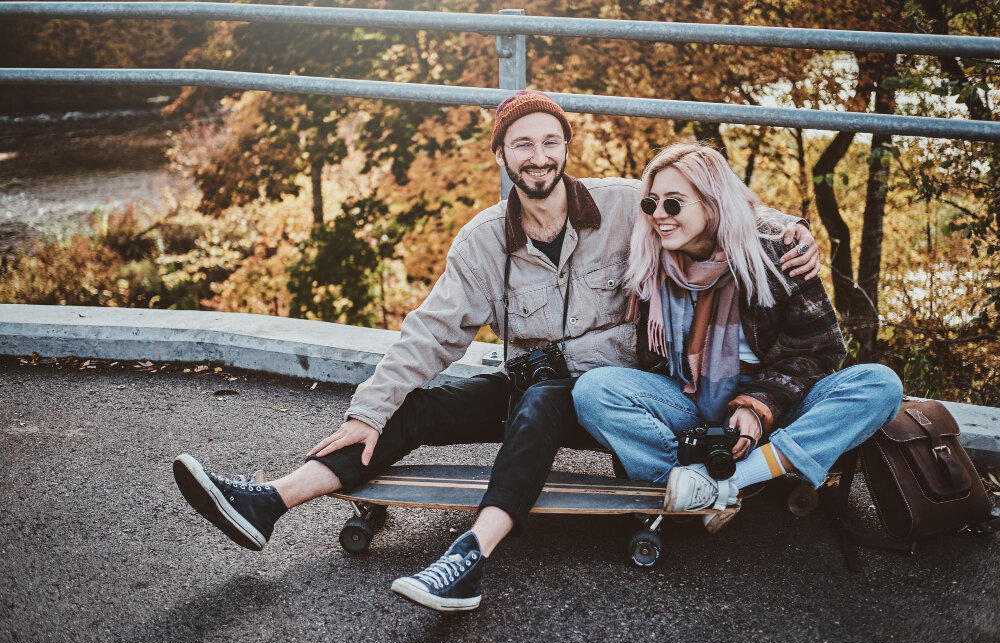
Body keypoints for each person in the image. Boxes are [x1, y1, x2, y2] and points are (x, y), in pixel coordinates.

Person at [172, 93, 819, 613]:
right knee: (420, 408)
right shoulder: (483, 241)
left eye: (550, 141)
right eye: (523, 144)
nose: (539, 156)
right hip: (530, 380)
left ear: (565, 148)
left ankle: (470, 557)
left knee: (541, 402)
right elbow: (431, 333)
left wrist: (791, 229)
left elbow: (715, 207)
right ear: (503, 155)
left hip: (608, 396)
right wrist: (368, 410)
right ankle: (270, 501)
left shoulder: (626, 207)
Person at [572, 143, 903, 532]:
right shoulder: (651, 260)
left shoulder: (776, 253)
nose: (659, 214)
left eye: (674, 203)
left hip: (779, 400)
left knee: (880, 384)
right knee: (593, 391)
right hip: (692, 398)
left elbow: (819, 352)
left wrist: (758, 406)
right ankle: (685, 481)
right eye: (651, 203)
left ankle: (731, 481)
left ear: (713, 202)